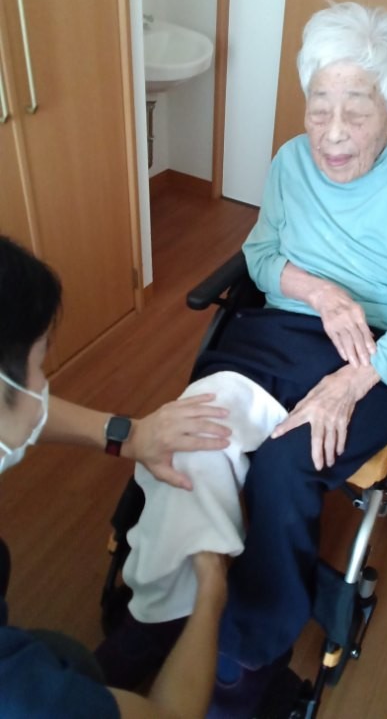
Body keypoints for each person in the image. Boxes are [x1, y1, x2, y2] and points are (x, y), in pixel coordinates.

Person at [106, 0, 387, 717]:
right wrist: (321, 291)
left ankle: (248, 654)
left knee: (283, 464)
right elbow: (263, 255)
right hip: (277, 333)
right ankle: (161, 607)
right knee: (195, 433)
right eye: (318, 106)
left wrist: (351, 381)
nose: (332, 133)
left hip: (373, 353)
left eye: (356, 110)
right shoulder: (290, 160)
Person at [0, 234, 232, 718]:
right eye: (39, 365)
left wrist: (131, 436)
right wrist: (212, 589)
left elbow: (29, 411)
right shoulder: (18, 695)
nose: (44, 385)